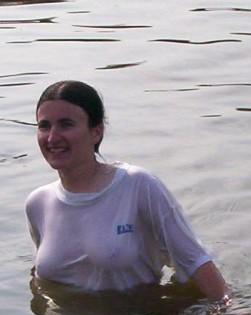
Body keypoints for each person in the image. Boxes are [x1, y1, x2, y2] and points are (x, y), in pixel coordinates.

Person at [24, 80, 229, 302]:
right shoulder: (38, 203)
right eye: (44, 126)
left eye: (66, 124)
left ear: (96, 131)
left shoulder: (138, 185)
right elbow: (42, 278)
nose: (52, 138)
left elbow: (195, 260)